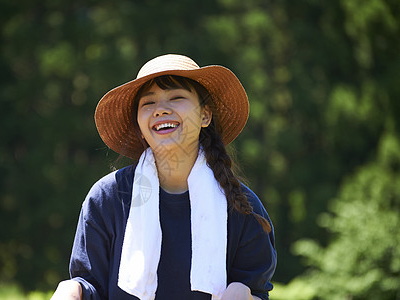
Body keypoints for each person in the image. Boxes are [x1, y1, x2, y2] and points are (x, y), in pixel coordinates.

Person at [51, 54, 276, 300]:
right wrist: (72, 290)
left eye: (177, 97)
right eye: (148, 103)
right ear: (139, 124)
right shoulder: (108, 198)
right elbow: (91, 286)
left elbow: (256, 291)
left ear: (205, 116)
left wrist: (243, 296)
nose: (160, 110)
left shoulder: (242, 207)